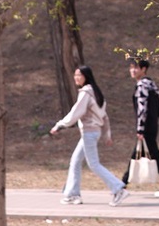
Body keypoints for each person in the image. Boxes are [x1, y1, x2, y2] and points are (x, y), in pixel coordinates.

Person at [50, 65, 129, 206]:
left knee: (93, 164)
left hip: (89, 132)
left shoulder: (86, 93)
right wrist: (106, 134)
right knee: (75, 161)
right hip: (93, 132)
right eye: (75, 75)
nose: (76, 77)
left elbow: (76, 112)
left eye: (79, 75)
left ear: (86, 77)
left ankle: (118, 189)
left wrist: (60, 124)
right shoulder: (96, 92)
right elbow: (104, 117)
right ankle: (72, 194)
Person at [122, 57, 159, 198]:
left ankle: (121, 186)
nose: (133, 70)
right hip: (152, 127)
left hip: (146, 128)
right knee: (146, 154)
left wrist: (140, 129)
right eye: (131, 67)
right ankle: (122, 185)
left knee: (149, 155)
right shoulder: (151, 84)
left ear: (143, 69)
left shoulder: (142, 86)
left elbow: (143, 109)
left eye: (136, 67)